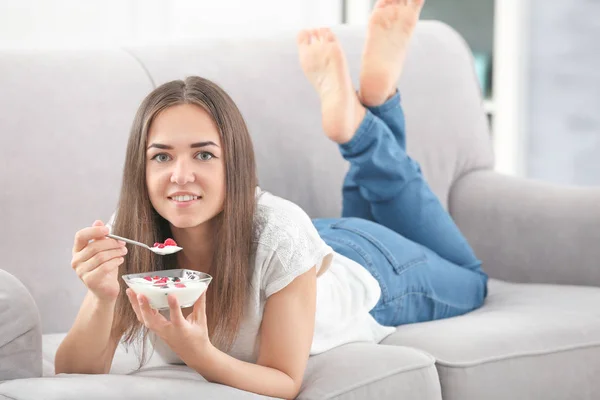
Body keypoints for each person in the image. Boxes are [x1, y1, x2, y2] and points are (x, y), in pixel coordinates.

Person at [55, 0, 487, 398]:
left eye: (204, 154)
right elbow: (74, 375)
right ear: (141, 168)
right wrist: (101, 295)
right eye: (161, 156)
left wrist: (200, 353)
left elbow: (283, 381)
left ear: (234, 165)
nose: (179, 175)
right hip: (308, 249)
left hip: (374, 268)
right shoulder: (131, 235)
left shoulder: (280, 232)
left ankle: (361, 131)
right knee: (369, 204)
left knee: (472, 280)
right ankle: (375, 103)